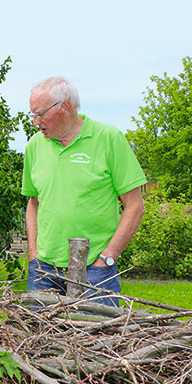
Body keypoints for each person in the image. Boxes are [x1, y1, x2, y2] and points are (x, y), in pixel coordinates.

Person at [21, 77, 147, 307]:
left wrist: (107, 258)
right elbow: (33, 203)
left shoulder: (108, 138)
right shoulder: (34, 146)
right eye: (32, 114)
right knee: (40, 340)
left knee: (95, 340)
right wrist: (33, 254)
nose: (34, 121)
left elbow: (135, 206)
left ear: (65, 107)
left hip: (95, 268)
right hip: (43, 269)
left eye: (40, 114)